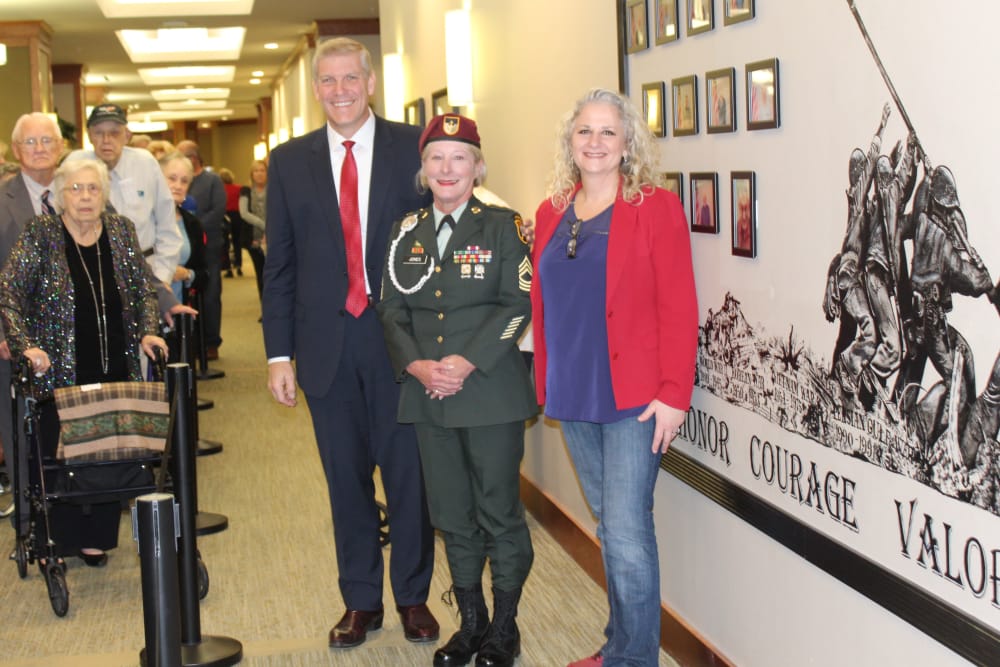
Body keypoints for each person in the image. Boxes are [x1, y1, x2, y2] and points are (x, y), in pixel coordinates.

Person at [262, 36, 438, 649]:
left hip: (400, 346)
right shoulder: (289, 162)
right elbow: (278, 265)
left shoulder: (411, 147)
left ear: (369, 82)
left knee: (408, 476)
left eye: (350, 79)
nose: (340, 90)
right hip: (324, 348)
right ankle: (360, 601)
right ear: (317, 90)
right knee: (346, 480)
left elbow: (439, 243)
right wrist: (278, 355)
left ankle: (413, 596)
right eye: (328, 81)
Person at [530, 89, 698, 667]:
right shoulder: (551, 210)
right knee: (611, 526)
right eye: (585, 132)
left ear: (628, 142)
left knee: (625, 529)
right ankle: (619, 645)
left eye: (608, 131)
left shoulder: (654, 207)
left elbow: (679, 306)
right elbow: (546, 304)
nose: (595, 142)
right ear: (569, 142)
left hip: (636, 398)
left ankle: (634, 660)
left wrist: (676, 394)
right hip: (575, 393)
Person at [378, 115, 536, 667]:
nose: (447, 168)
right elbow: (390, 307)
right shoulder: (405, 232)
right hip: (427, 395)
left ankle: (506, 627)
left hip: (489, 391)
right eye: (436, 158)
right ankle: (472, 624)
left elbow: (519, 306)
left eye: (459, 157)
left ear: (478, 166)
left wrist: (467, 361)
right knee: (451, 513)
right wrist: (418, 364)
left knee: (499, 512)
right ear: (423, 170)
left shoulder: (504, 226)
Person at [0, 157, 168, 566]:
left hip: (114, 368)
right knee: (59, 458)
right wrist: (25, 345)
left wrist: (148, 330)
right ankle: (52, 542)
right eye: (75, 189)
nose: (85, 197)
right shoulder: (41, 233)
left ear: (104, 195)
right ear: (61, 196)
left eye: (92, 188)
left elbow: (143, 289)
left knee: (109, 454)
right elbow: (9, 294)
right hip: (58, 372)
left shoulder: (122, 232)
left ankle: (96, 539)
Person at [64, 104, 182, 288]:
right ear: (89, 136)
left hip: (145, 268)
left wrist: (162, 278)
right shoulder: (75, 164)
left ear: (127, 136)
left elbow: (167, 227)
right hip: (92, 274)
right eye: (99, 133)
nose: (106, 140)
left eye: (114, 133)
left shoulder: (145, 163)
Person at [175, 140, 226, 360]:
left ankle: (211, 342)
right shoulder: (177, 181)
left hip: (209, 246)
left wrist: (193, 227)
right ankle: (192, 343)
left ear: (194, 157)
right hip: (182, 247)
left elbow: (218, 210)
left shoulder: (212, 180)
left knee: (211, 294)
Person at [160, 152, 207, 305]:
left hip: (181, 310)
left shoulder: (192, 224)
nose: (178, 186)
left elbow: (204, 274)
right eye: (172, 179)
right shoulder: (142, 220)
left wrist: (187, 274)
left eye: (184, 181)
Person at [238, 160, 268, 303]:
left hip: (273, 237)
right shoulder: (246, 191)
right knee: (260, 273)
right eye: (256, 171)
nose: (259, 174)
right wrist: (264, 225)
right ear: (251, 174)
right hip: (254, 239)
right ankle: (265, 306)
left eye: (262, 170)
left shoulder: (274, 188)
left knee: (273, 274)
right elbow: (244, 213)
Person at [218, 167, 244, 278]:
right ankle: (238, 266)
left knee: (226, 244)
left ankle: (228, 268)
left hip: (225, 216)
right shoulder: (239, 188)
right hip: (237, 216)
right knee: (237, 241)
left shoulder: (220, 189)